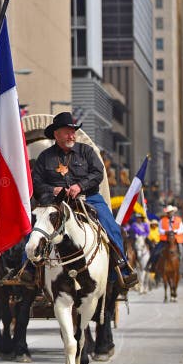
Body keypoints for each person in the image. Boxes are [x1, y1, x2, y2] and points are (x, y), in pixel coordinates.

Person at [24, 112, 138, 289]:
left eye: (73, 131)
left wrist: (80, 186)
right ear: (56, 134)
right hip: (55, 203)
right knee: (34, 228)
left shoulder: (86, 152)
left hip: (88, 198)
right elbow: (36, 182)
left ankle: (122, 268)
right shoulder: (45, 157)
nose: (72, 135)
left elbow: (98, 173)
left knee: (112, 227)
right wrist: (53, 189)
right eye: (67, 131)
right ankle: (29, 268)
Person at [149, 205, 183, 269]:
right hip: (164, 240)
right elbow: (159, 230)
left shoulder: (179, 220)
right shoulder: (162, 220)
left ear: (173, 212)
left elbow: (181, 229)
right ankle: (152, 266)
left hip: (176, 240)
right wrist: (166, 232)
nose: (170, 213)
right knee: (156, 252)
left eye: (171, 212)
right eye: (168, 212)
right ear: (167, 213)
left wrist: (175, 231)